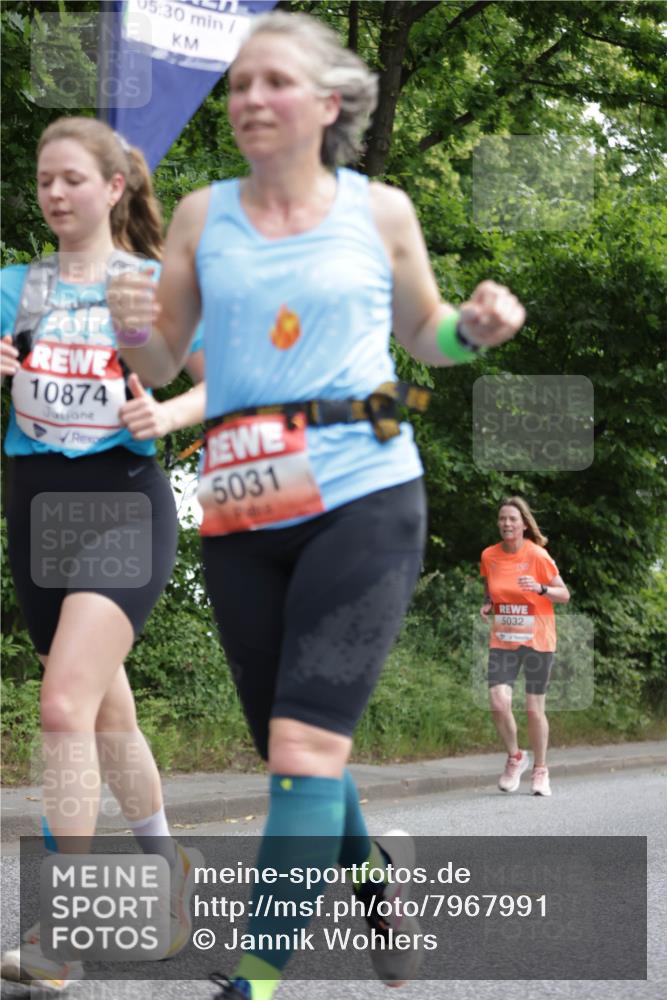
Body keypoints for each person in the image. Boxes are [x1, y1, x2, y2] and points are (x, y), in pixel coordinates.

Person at [108, 11, 526, 999]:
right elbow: (167, 359)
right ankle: (374, 881)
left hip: (362, 490)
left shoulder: (379, 211)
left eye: (273, 82)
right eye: (239, 82)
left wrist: (473, 330)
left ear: (328, 104)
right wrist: (137, 340)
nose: (249, 98)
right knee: (291, 749)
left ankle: (252, 978)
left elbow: (427, 338)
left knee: (302, 747)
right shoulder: (203, 216)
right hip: (244, 500)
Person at [0, 116, 207, 994]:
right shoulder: (17, 285)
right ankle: (168, 872)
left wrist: (165, 414)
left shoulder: (150, 284)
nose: (53, 193)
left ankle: (65, 930)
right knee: (107, 714)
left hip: (123, 500)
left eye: (72, 179)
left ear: (115, 187)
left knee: (62, 705)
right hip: (36, 506)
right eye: (44, 179)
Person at [480, 497, 571, 797]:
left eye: (513, 519)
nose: (507, 523)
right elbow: (491, 586)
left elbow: (564, 594)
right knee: (498, 701)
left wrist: (542, 588)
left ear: (523, 524)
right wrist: (488, 603)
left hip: (537, 639)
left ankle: (541, 770)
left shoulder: (537, 555)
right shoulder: (489, 556)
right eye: (503, 518)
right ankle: (515, 757)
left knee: (534, 710)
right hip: (504, 639)